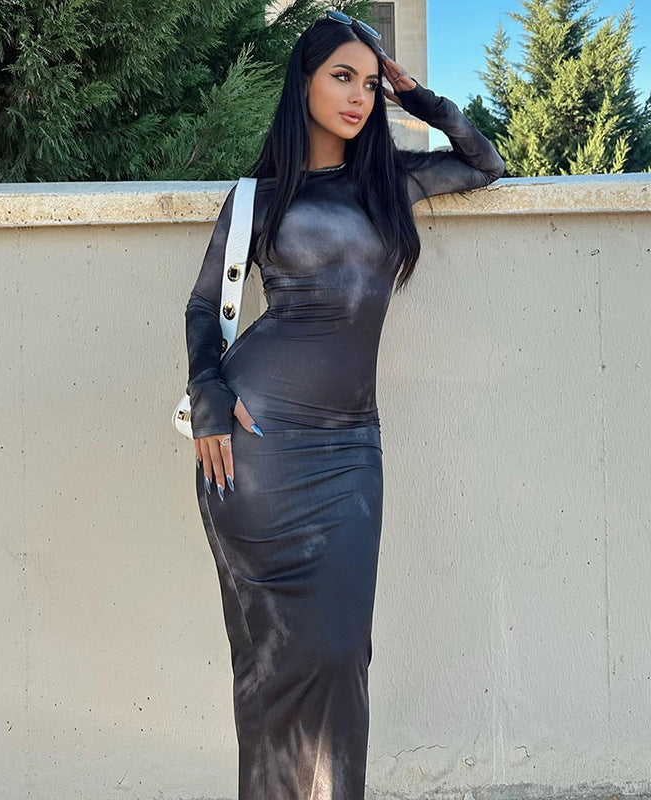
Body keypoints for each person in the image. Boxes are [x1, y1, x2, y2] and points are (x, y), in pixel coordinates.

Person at [184, 10, 505, 800]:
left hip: (352, 449)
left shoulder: (392, 182)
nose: (359, 95)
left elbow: (485, 162)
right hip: (258, 446)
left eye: (368, 82)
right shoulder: (258, 197)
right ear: (303, 83)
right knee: (272, 659)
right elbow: (202, 308)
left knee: (341, 652)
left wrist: (416, 97)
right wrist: (208, 395)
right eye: (342, 77)